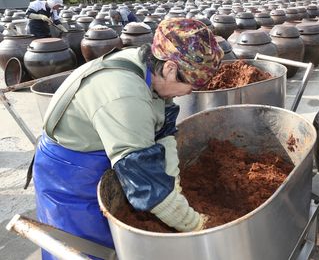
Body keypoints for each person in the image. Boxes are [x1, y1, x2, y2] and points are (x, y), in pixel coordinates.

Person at [33, 18, 224, 259]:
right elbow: (146, 186)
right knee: (84, 249)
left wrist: (173, 181)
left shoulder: (149, 67)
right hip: (70, 174)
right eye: (190, 86)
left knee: (117, 246)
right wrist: (197, 225)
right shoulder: (124, 96)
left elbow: (163, 131)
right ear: (170, 69)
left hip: (107, 155)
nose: (189, 93)